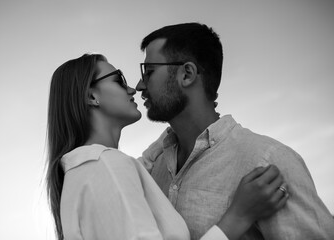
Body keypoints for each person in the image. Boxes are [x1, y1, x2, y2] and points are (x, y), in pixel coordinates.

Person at [46, 53, 289, 240]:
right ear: (91, 97)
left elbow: (142, 165)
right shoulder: (107, 166)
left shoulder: (84, 172)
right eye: (119, 79)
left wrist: (186, 122)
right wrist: (238, 217)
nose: (133, 88)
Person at [136, 22, 334, 239]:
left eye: (149, 72)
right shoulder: (154, 169)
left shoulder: (266, 162)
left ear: (187, 74)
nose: (139, 85)